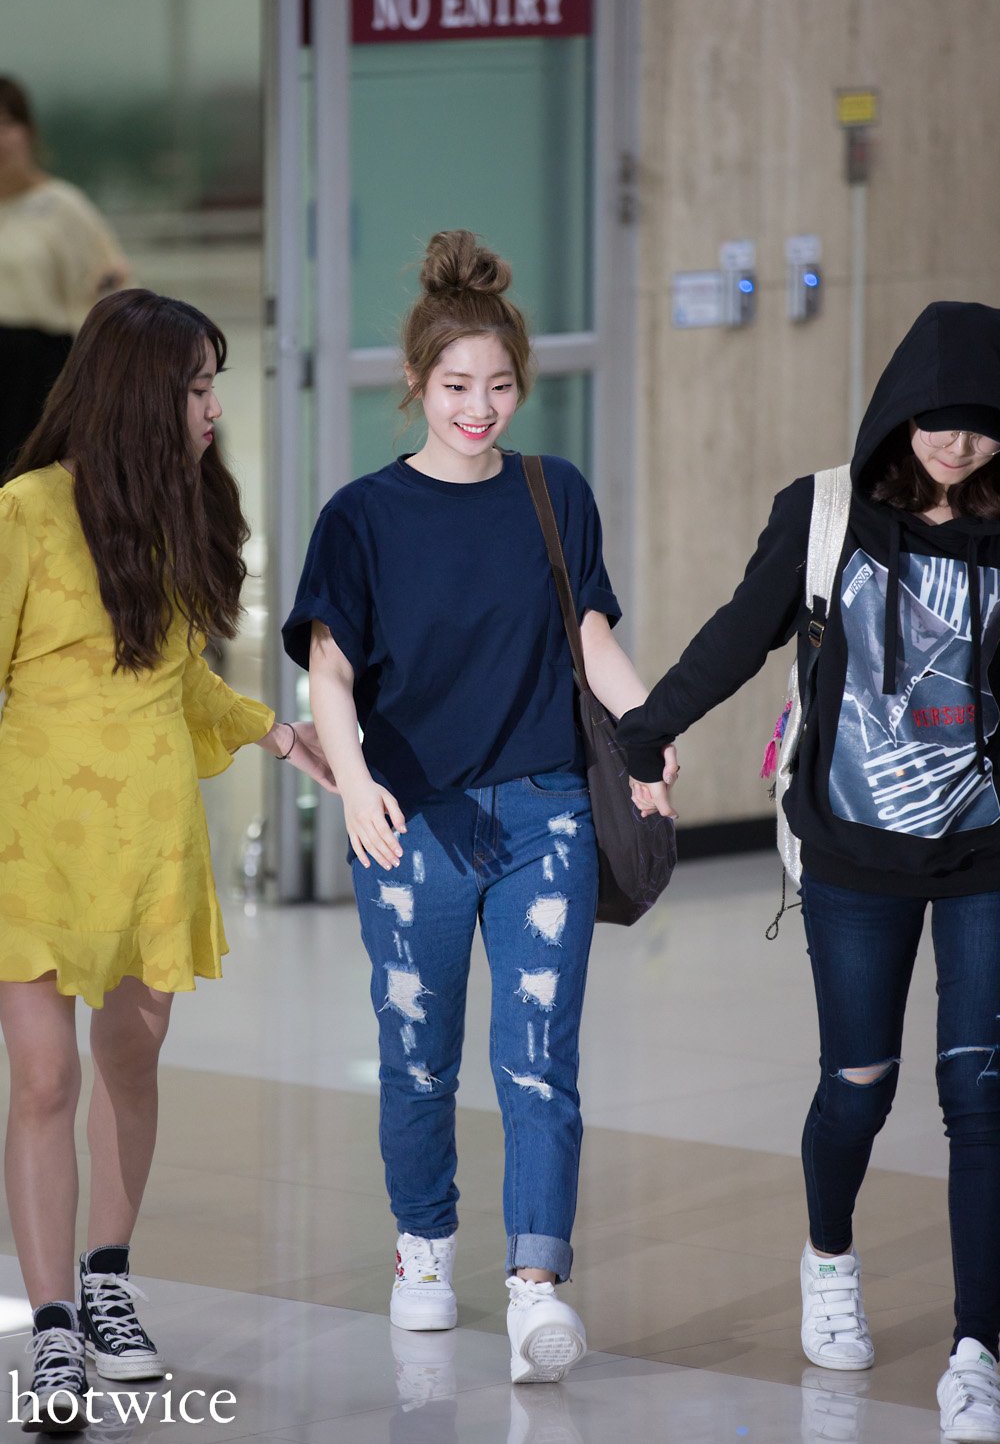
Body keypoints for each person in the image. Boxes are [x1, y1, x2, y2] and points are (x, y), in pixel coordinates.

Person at [283, 229, 674, 1385]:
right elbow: (329, 672)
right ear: (415, 384)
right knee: (416, 1059)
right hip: (411, 827)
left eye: (499, 386)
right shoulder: (361, 516)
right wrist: (354, 781)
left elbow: (589, 639)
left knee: (539, 1059)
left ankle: (536, 1285)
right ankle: (425, 1246)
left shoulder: (554, 495)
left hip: (546, 815)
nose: (479, 408)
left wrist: (650, 734)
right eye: (456, 385)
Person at [617, 300, 1000, 1443]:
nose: (959, 444)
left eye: (983, 424)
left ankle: (977, 1350)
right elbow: (741, 632)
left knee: (981, 1095)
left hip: (987, 848)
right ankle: (828, 1258)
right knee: (859, 1083)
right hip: (850, 848)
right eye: (938, 419)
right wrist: (646, 729)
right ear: (900, 410)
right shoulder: (826, 512)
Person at [0, 288, 335, 1433]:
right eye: (196, 388)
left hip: (150, 843)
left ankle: (107, 1280)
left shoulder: (181, 515)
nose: (211, 409)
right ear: (142, 396)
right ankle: (52, 1326)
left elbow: (179, 681)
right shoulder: (24, 513)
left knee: (130, 1061)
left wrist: (276, 733)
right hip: (33, 849)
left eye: (211, 386)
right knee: (44, 1079)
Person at [0, 75, 128, 479]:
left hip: (36, 376)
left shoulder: (61, 207)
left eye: (6, 124)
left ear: (28, 131)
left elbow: (113, 286)